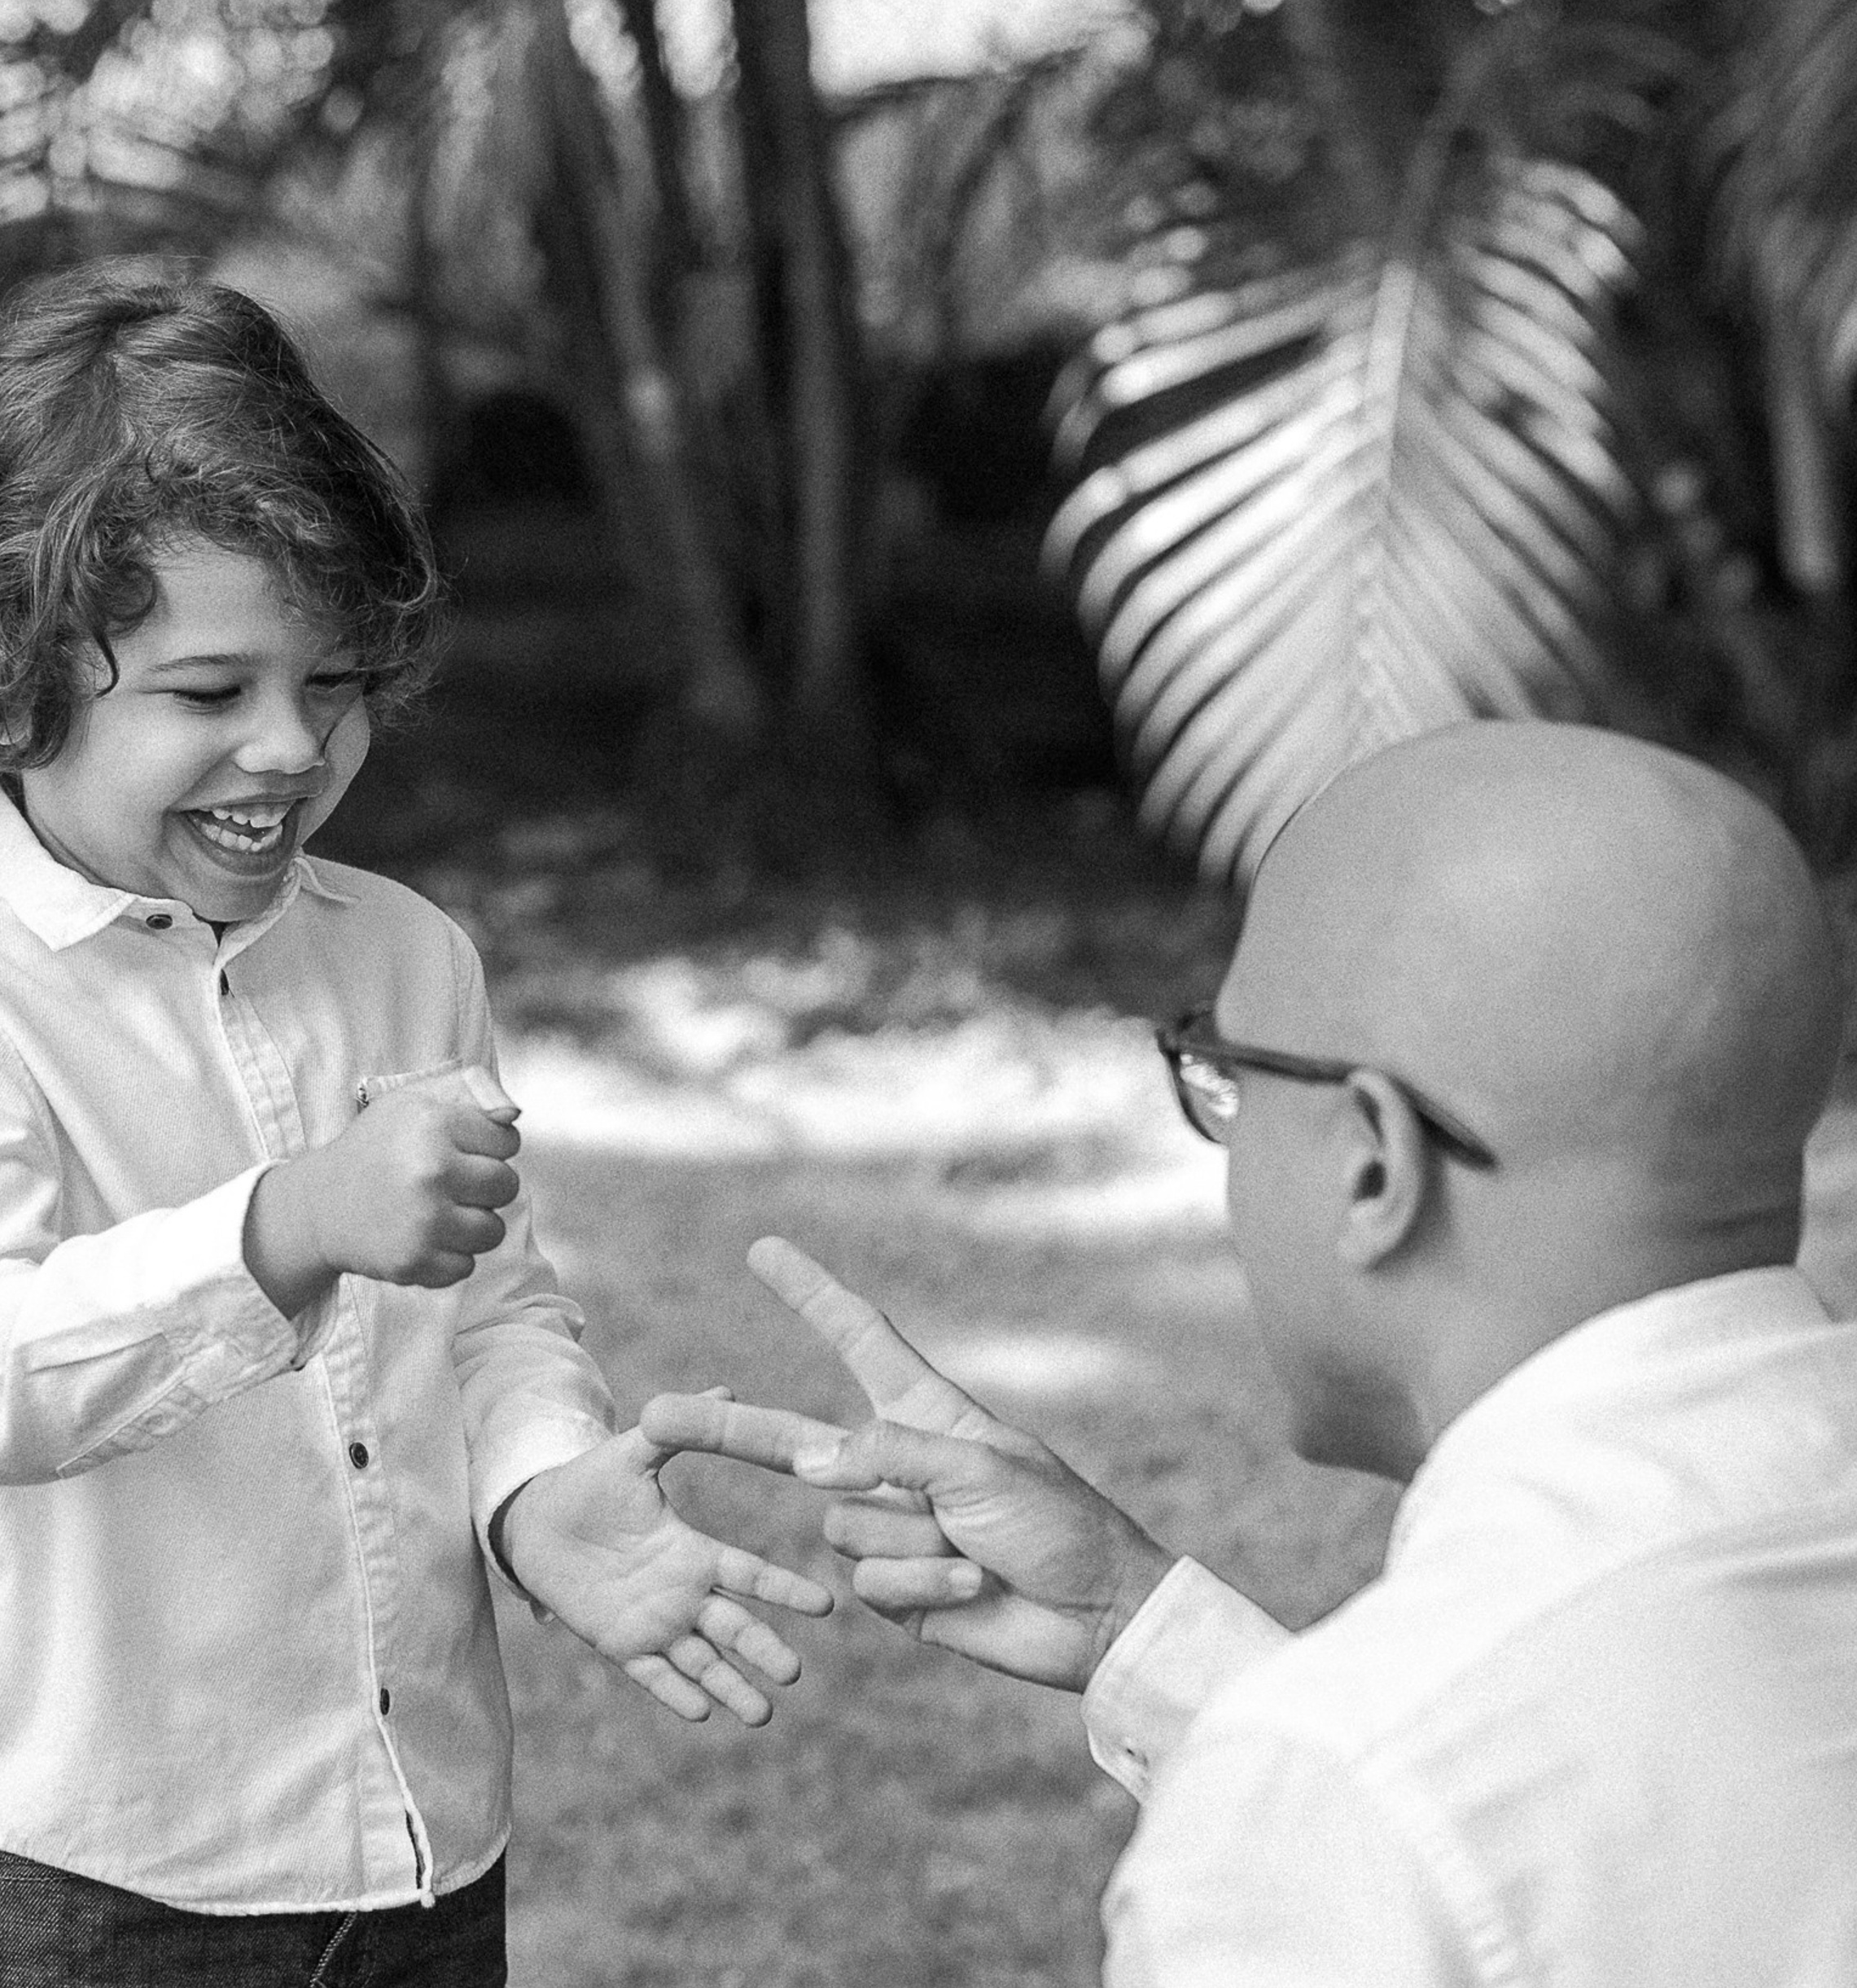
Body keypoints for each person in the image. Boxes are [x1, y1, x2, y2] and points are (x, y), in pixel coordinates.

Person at [0, 261, 829, 1987]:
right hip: (92, 1880)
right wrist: (280, 1225)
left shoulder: (405, 955)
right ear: (7, 683)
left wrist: (533, 1488)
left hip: (419, 1846)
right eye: (210, 693)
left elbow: (491, 1308)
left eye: (336, 680)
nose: (290, 745)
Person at [645, 721, 1857, 1986]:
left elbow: (1418, 1810)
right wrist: (1136, 1621)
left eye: (1227, 1077)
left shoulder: (1334, 1808)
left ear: (1374, 1161)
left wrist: (1302, 1771)